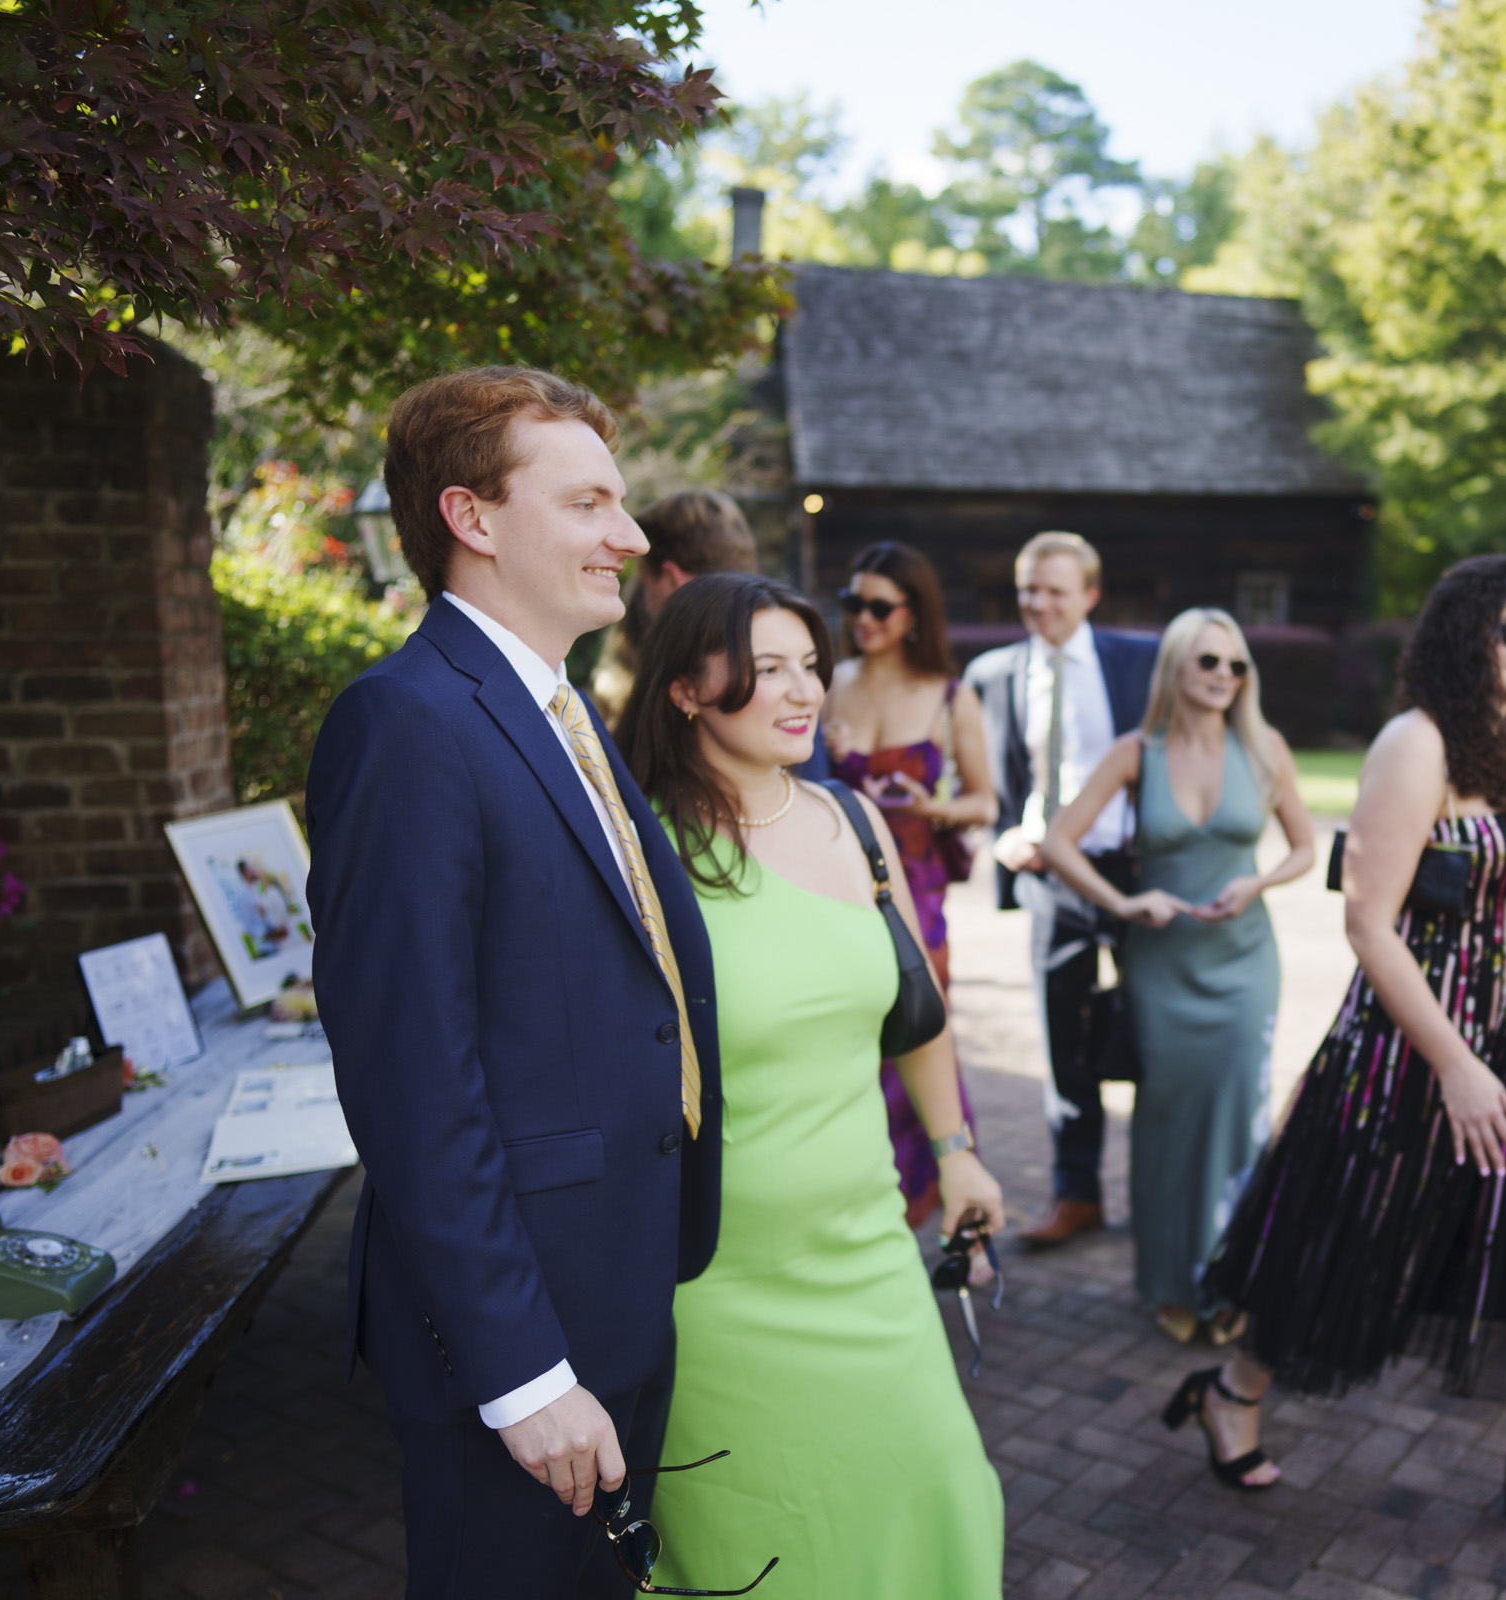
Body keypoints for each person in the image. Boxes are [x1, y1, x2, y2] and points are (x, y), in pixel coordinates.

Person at [307, 365, 723, 1598]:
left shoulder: (563, 709)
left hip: (617, 1285)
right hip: (525, 1341)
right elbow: (411, 1081)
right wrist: (526, 1372)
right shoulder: (407, 723)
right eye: (590, 502)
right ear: (472, 519)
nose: (632, 535)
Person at [1184, 555, 1506, 1557]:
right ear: (1463, 636)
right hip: (1409, 1048)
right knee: (1348, 1243)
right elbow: (1369, 922)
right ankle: (1231, 1388)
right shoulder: (1415, 741)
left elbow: (1505, 855)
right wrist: (1452, 1063)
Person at [621, 572, 1006, 1597]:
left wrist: (958, 1151)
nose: (801, 694)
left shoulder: (850, 817)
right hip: (718, 1283)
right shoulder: (643, 848)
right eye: (764, 671)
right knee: (769, 1552)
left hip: (870, 1248)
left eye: (809, 667)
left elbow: (913, 1012)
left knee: (941, 1488)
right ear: (686, 692)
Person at [1041, 608, 1317, 1344]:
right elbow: (1058, 841)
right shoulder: (1138, 752)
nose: (1225, 676)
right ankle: (1168, 1280)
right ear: (1176, 669)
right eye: (1209, 663)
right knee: (1165, 1123)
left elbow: (1304, 850)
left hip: (1243, 962)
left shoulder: (1264, 749)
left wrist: (1255, 885)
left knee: (1238, 1120)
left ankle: (1231, 1279)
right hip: (1160, 967)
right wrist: (1125, 901)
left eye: (1236, 666)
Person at [962, 531, 1159, 1250]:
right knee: (1063, 1045)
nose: (1038, 604)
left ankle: (1156, 1194)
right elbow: (988, 782)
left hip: (1135, 873)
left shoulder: (1141, 661)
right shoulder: (992, 673)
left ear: (1090, 596)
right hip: (1050, 880)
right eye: (1028, 590)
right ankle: (1077, 1197)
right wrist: (1005, 837)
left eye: (1054, 590)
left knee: (1152, 1035)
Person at [823, 542, 1000, 1229]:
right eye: (852, 603)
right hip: (838, 885)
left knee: (922, 1038)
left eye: (878, 607)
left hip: (917, 894)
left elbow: (985, 803)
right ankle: (859, 1200)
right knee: (853, 1048)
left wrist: (933, 808)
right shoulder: (830, 680)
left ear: (914, 614)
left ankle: (937, 1196)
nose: (861, 618)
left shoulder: (951, 697)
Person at [590, 489, 758, 728]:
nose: (641, 598)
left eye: (644, 582)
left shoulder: (669, 686)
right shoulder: (783, 659)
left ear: (671, 579)